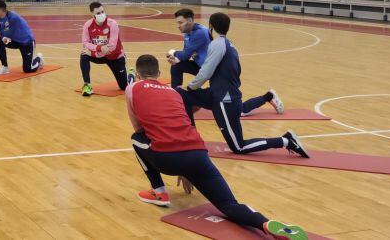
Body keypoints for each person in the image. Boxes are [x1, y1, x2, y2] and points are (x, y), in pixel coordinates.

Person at [126, 54, 308, 240]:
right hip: (197, 154)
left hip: (167, 158)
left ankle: (159, 192)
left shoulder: (132, 88)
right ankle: (265, 223)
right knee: (229, 205)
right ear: (158, 73)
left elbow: (139, 128)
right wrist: (186, 169)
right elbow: (184, 123)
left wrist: (178, 166)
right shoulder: (174, 93)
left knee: (136, 138)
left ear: (138, 75)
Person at [180, 12, 307, 157]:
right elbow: (236, 71)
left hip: (224, 99)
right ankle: (191, 138)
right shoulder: (230, 45)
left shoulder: (217, 44)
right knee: (181, 94)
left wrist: (190, 86)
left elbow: (205, 72)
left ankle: (286, 141)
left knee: (239, 147)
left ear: (211, 26)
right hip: (220, 95)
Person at [79, 1, 132, 96]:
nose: (101, 14)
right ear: (92, 14)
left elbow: (111, 47)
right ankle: (87, 85)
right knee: (84, 54)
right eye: (98, 13)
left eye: (102, 12)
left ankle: (131, 74)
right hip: (100, 55)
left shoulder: (113, 24)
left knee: (124, 87)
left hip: (115, 57)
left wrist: (94, 53)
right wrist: (99, 48)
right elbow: (85, 43)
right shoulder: (88, 25)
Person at [0, 0, 42, 75]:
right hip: (15, 41)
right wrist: (2, 38)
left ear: (0, 10)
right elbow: (2, 32)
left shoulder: (13, 18)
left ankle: (38, 59)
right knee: (0, 44)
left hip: (26, 42)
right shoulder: (0, 18)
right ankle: (5, 67)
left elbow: (8, 33)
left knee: (27, 70)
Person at [167, 9, 210, 87]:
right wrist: (175, 59)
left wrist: (172, 52)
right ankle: (176, 93)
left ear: (190, 21)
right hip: (200, 66)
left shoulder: (200, 32)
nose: (178, 26)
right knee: (176, 65)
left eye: (181, 22)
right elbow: (185, 55)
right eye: (177, 23)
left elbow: (184, 55)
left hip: (211, 69)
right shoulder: (188, 33)